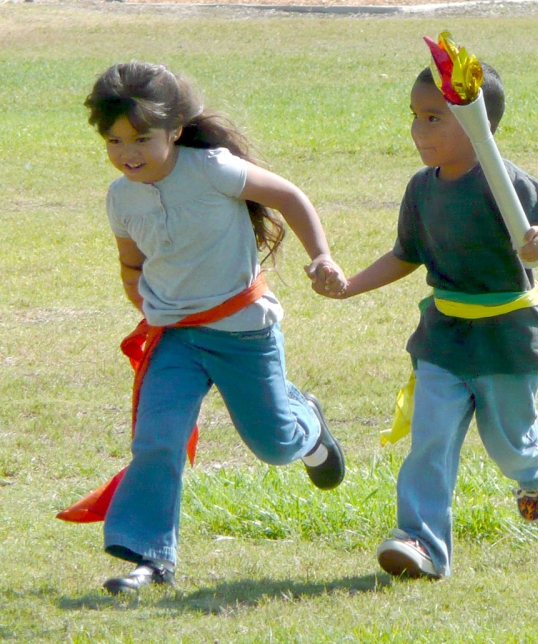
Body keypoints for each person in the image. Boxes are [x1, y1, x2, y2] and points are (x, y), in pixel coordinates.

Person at [80, 61, 347, 594]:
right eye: (113, 140)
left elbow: (289, 196)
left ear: (175, 130)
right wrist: (140, 295)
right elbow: (131, 259)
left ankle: (308, 424)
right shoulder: (121, 197)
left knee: (274, 445)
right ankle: (150, 557)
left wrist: (321, 256)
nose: (126, 152)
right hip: (175, 339)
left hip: (243, 332)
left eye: (140, 138)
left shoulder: (211, 169)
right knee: (157, 438)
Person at [313, 62, 538, 579]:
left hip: (507, 337)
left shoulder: (508, 181)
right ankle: (420, 542)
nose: (418, 130)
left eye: (434, 118)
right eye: (415, 116)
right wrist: (349, 286)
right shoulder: (421, 189)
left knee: (510, 442)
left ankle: (537, 468)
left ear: (478, 124)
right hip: (443, 338)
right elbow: (406, 255)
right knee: (430, 440)